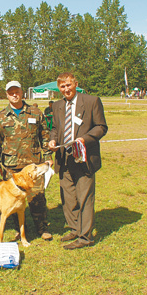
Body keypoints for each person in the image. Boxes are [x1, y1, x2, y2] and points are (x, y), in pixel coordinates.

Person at [48, 72, 108, 250]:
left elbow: (101, 127)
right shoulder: (57, 105)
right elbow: (56, 128)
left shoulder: (91, 101)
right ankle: (74, 228)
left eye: (68, 85)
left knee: (85, 198)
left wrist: (85, 139)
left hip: (84, 158)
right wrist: (53, 140)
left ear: (75, 84)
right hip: (64, 158)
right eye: (62, 86)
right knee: (68, 198)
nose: (66, 89)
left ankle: (85, 237)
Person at [0, 81, 54, 242]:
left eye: (17, 91)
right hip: (11, 166)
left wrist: (47, 157)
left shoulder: (35, 113)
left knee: (37, 197)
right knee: (13, 199)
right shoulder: (0, 117)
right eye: (10, 92)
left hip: (33, 163)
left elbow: (45, 135)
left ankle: (42, 228)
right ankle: (19, 229)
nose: (14, 94)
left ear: (22, 92)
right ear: (7, 94)